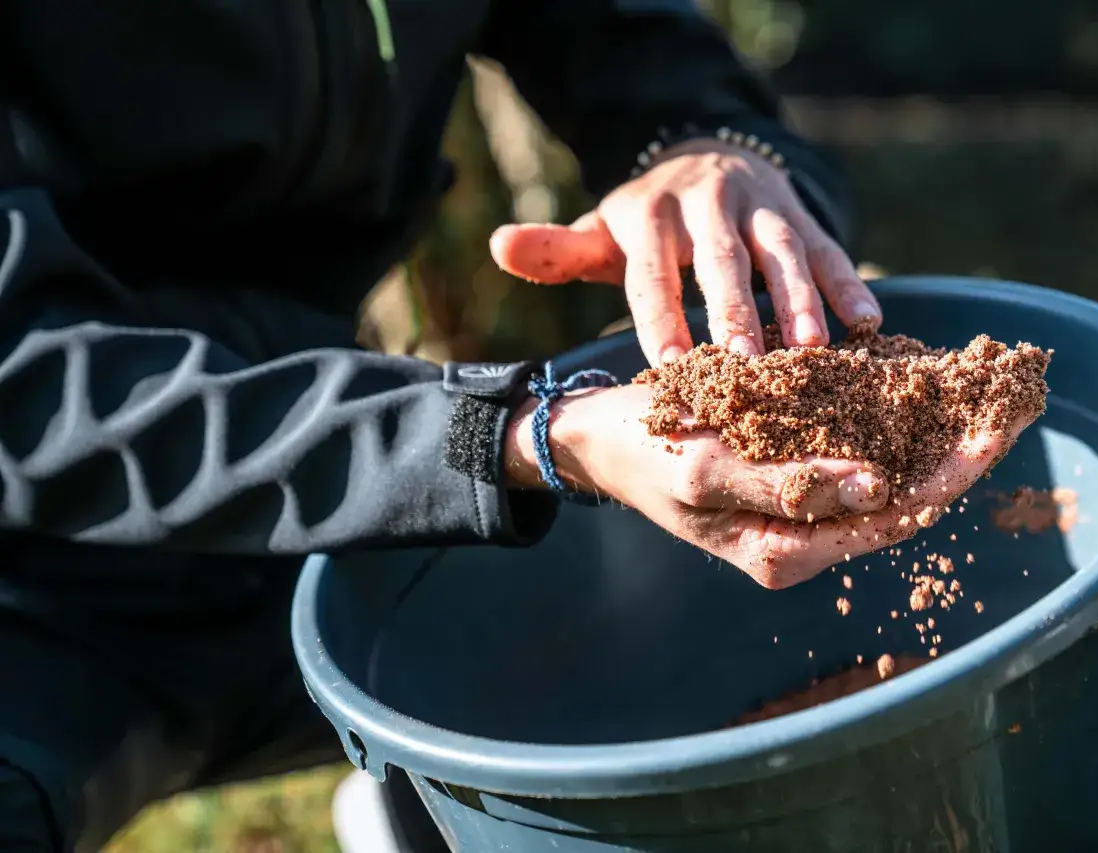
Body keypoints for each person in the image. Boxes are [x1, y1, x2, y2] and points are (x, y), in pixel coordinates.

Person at [0, 2, 1022, 850]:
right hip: (35, 587)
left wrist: (707, 149)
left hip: (330, 482)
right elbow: (29, 384)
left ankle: (424, 807)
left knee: (648, 641)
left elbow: (625, 37)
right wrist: (514, 435)